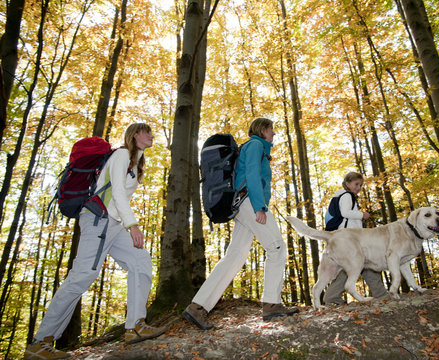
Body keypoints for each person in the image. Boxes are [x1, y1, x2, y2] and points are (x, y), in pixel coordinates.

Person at [25, 123, 165, 360]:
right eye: (147, 132)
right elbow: (118, 192)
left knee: (140, 261)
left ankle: (135, 326)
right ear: (135, 135)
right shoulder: (121, 154)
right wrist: (133, 225)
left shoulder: (135, 162)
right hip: (98, 220)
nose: (152, 136)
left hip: (112, 223)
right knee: (82, 276)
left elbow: (119, 196)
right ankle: (41, 341)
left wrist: (126, 224)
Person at [183, 117, 299, 330]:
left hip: (242, 204)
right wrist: (259, 207)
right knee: (276, 247)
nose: (273, 133)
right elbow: (252, 176)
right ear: (263, 129)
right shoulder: (255, 145)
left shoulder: (255, 148)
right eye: (271, 129)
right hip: (249, 203)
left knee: (235, 257)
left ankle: (198, 307)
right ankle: (271, 304)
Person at [323, 171, 388, 305]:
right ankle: (381, 294)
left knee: (356, 264)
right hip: (349, 238)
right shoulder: (347, 196)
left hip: (346, 238)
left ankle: (331, 297)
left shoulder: (341, 195)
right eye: (356, 184)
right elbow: (345, 213)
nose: (358, 187)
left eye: (361, 185)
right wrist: (362, 215)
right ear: (347, 184)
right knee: (365, 261)